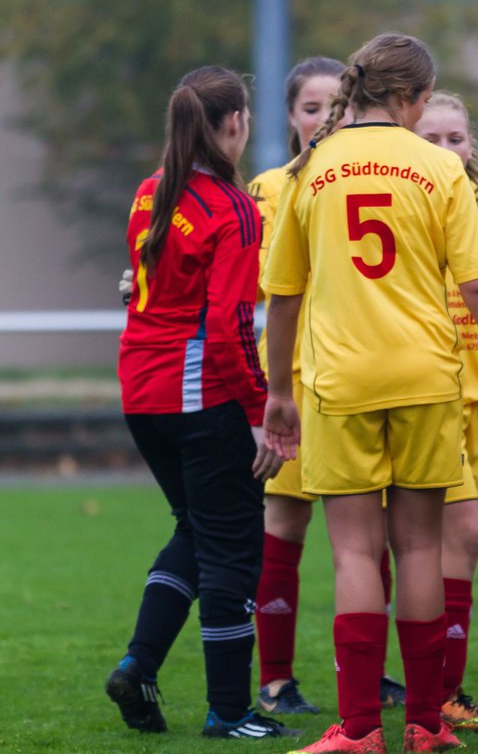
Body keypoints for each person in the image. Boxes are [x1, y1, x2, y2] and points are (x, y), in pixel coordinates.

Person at [261, 33, 478, 754]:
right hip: (425, 378)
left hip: (340, 383)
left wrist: (280, 391)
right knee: (420, 549)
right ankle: (423, 725)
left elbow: (285, 296)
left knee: (355, 555)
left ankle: (358, 730)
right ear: (415, 98)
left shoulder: (310, 166)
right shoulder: (438, 166)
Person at [109, 65, 294, 740]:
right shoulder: (234, 208)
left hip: (141, 389)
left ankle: (138, 665)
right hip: (200, 394)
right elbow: (228, 325)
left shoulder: (150, 190)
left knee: (194, 528)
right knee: (233, 552)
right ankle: (230, 710)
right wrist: (260, 411)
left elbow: (142, 284)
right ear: (235, 123)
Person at [248, 55, 407, 717]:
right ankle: (277, 678)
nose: (323, 119)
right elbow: (267, 286)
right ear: (290, 117)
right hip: (294, 373)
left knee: (373, 531)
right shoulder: (273, 186)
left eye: (332, 107)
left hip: (358, 368)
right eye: (310, 109)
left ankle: (366, 677)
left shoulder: (370, 173)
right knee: (285, 521)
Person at [412, 90, 478, 733]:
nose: (448, 150)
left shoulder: (470, 207)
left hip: (472, 402)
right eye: (433, 139)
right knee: (449, 540)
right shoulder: (416, 209)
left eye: (457, 139)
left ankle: (441, 690)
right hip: (429, 396)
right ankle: (435, 694)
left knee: (454, 543)